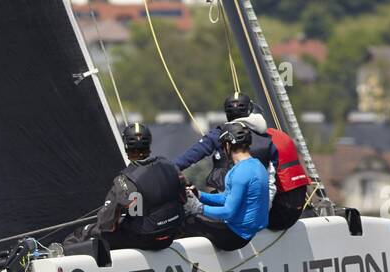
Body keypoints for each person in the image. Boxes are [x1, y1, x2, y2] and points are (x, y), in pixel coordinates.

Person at [66, 122, 188, 252]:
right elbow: (184, 199)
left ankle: (62, 254)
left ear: (126, 146)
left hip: (147, 240)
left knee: (84, 233)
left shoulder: (124, 180)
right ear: (149, 143)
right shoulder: (171, 167)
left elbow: (106, 223)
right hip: (172, 233)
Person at [181, 122, 268, 251]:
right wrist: (199, 195)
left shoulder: (240, 172)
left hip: (234, 237)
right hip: (244, 234)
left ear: (227, 145)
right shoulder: (256, 165)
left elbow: (228, 212)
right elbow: (227, 198)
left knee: (184, 223)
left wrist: (198, 208)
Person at [173, 91, 274, 193]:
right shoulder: (268, 137)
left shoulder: (219, 134)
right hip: (261, 195)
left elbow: (191, 155)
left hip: (225, 194)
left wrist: (170, 169)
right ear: (250, 109)